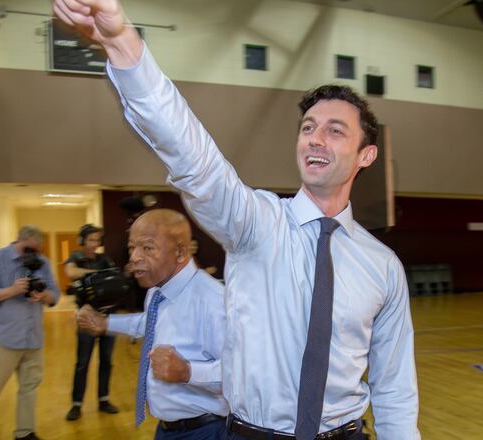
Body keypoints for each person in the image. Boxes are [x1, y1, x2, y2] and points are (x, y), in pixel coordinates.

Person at [53, 2, 419, 439]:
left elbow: (394, 388)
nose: (315, 138)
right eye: (307, 127)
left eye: (335, 130)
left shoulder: (382, 266)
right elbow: (194, 160)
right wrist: (122, 44)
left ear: (366, 155)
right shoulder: (256, 225)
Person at [77, 209, 228, 439]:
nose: (134, 257)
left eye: (147, 248)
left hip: (205, 431)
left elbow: (239, 376)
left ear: (180, 251)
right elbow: (150, 323)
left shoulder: (213, 301)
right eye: (131, 247)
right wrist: (105, 323)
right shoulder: (157, 291)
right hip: (166, 428)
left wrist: (187, 371)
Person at [0, 225, 59, 440]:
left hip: (33, 337)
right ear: (18, 241)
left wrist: (43, 295)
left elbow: (55, 294)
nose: (33, 255)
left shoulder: (43, 263)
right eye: (29, 249)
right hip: (3, 337)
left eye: (37, 250)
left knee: (29, 388)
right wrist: (12, 290)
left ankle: (24, 432)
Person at [65, 224, 120, 421]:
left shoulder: (104, 259)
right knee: (83, 363)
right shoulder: (75, 258)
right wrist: (95, 275)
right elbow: (71, 272)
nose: (94, 244)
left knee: (106, 361)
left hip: (107, 317)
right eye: (91, 240)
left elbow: (115, 278)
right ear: (82, 241)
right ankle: (76, 404)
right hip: (87, 317)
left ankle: (104, 399)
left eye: (97, 240)